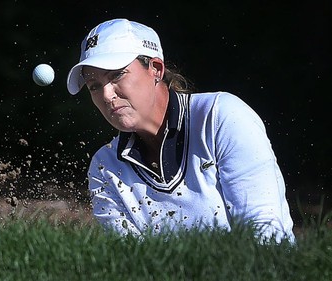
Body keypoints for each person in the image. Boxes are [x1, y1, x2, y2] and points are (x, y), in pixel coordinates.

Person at [67, 18, 295, 242]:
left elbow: (265, 237)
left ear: (155, 69)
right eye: (94, 86)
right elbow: (130, 264)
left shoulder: (221, 117)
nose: (106, 95)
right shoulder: (105, 167)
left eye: (116, 74)